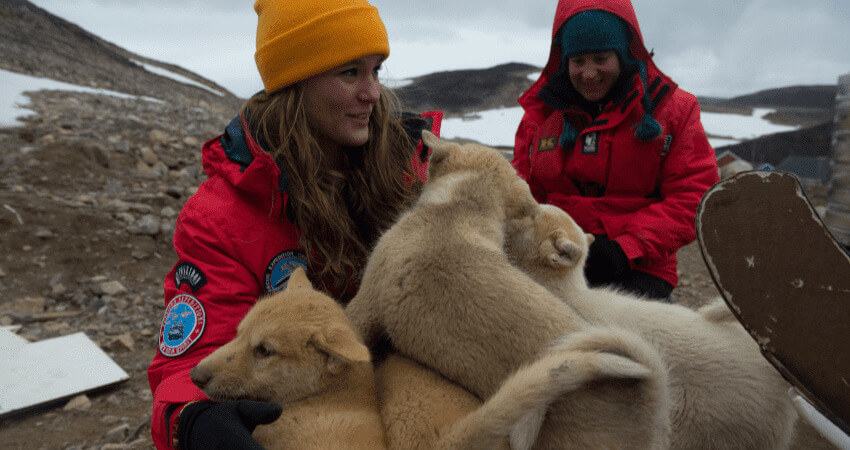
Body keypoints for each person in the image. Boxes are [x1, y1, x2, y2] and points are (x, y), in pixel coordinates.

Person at [146, 1, 442, 448]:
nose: (372, 94)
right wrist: (192, 421)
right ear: (294, 83)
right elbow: (195, 360)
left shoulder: (412, 173)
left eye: (375, 70)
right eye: (349, 73)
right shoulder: (222, 218)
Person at [512, 0, 719, 301]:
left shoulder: (672, 111)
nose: (589, 73)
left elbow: (693, 195)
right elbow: (522, 195)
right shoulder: (541, 117)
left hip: (638, 267)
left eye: (600, 58)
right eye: (578, 61)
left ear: (623, 55)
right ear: (563, 61)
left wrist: (626, 249)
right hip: (554, 260)